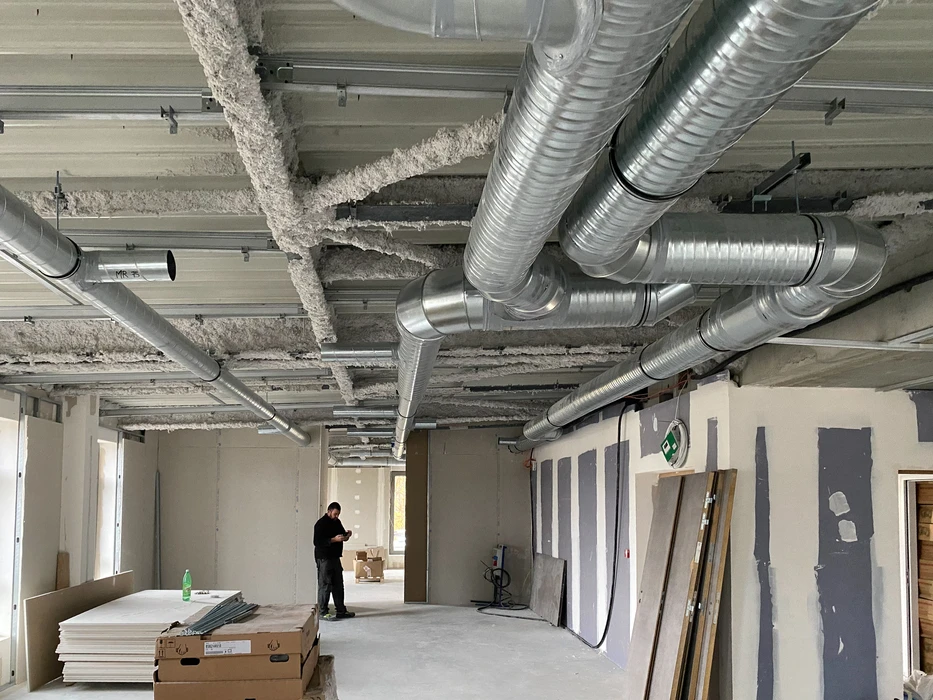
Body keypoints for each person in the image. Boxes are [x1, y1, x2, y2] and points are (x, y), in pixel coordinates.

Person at [314, 502, 356, 621]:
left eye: (338, 514)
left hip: (335, 557)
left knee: (338, 584)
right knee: (325, 585)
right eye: (335, 514)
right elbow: (317, 542)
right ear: (329, 511)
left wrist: (346, 536)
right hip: (324, 558)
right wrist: (333, 540)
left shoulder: (337, 522)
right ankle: (323, 612)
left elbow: (341, 536)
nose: (336, 516)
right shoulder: (320, 524)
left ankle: (341, 611)